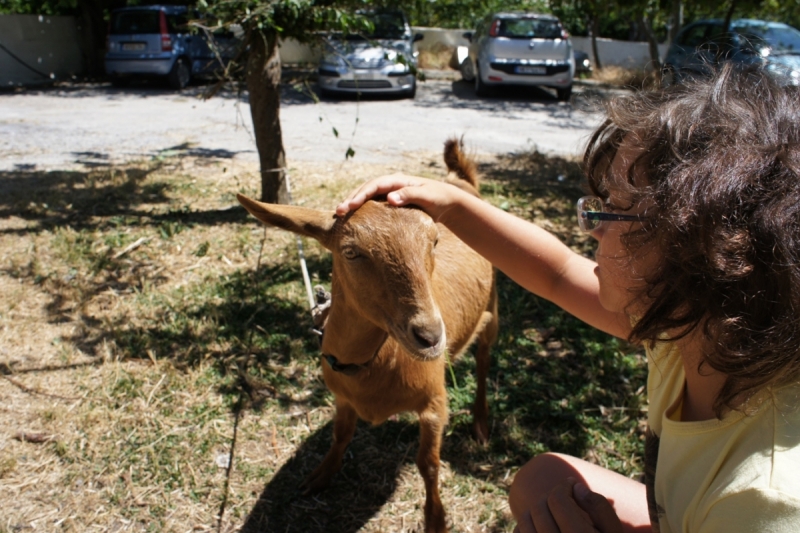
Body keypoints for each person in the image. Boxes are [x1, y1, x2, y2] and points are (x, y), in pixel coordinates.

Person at [335, 63, 800, 533]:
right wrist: (453, 204)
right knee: (541, 481)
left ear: (706, 254)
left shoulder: (763, 502)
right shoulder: (690, 326)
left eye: (616, 211)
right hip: (677, 516)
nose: (592, 227)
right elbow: (556, 273)